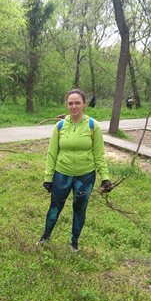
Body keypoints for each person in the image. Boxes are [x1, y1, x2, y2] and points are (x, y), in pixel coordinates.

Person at [38, 89, 112, 252]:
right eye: (70, 103)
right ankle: (46, 235)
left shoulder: (93, 126)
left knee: (79, 209)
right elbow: (52, 153)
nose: (74, 106)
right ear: (67, 105)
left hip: (85, 177)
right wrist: (48, 177)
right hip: (61, 175)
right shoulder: (60, 126)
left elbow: (99, 154)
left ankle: (74, 242)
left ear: (84, 104)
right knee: (55, 206)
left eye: (77, 102)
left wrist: (105, 177)